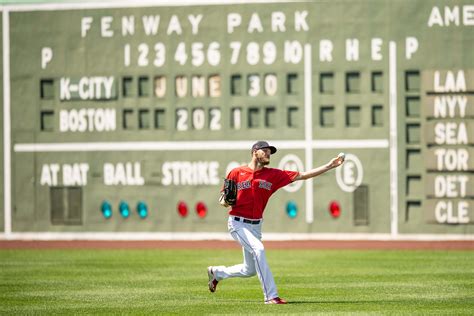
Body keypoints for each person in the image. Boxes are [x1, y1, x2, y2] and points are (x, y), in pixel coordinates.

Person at [207, 141, 345, 304]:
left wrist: (329, 166)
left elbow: (303, 175)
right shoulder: (236, 172)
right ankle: (271, 296)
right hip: (238, 224)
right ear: (254, 152)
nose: (268, 154)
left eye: (270, 152)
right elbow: (223, 198)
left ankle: (216, 273)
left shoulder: (273, 175)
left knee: (249, 269)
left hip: (256, 225)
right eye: (264, 151)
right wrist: (225, 201)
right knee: (258, 249)